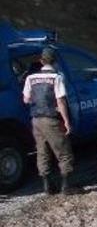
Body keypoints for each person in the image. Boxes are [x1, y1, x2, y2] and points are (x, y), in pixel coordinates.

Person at [22, 48, 76, 195]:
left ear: (41, 61)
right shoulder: (56, 77)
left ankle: (47, 187)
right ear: (55, 62)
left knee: (42, 152)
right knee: (64, 153)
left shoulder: (30, 78)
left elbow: (26, 99)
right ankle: (66, 187)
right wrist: (66, 121)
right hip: (51, 119)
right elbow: (61, 101)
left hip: (36, 119)